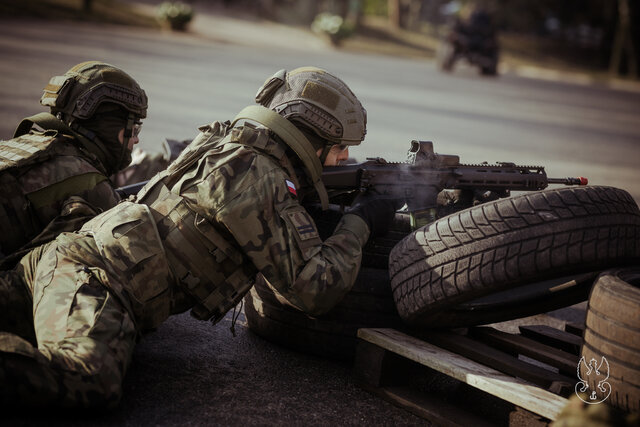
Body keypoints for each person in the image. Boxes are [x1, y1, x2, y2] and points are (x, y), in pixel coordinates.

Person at [0, 66, 400, 408]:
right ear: (308, 139)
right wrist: (360, 222)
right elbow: (315, 290)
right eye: (339, 148)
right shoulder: (256, 176)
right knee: (89, 378)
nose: (345, 159)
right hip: (94, 281)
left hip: (67, 259)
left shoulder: (232, 146)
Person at [0, 61, 148, 267]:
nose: (136, 140)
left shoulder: (28, 144)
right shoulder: (87, 182)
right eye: (134, 129)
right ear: (111, 128)